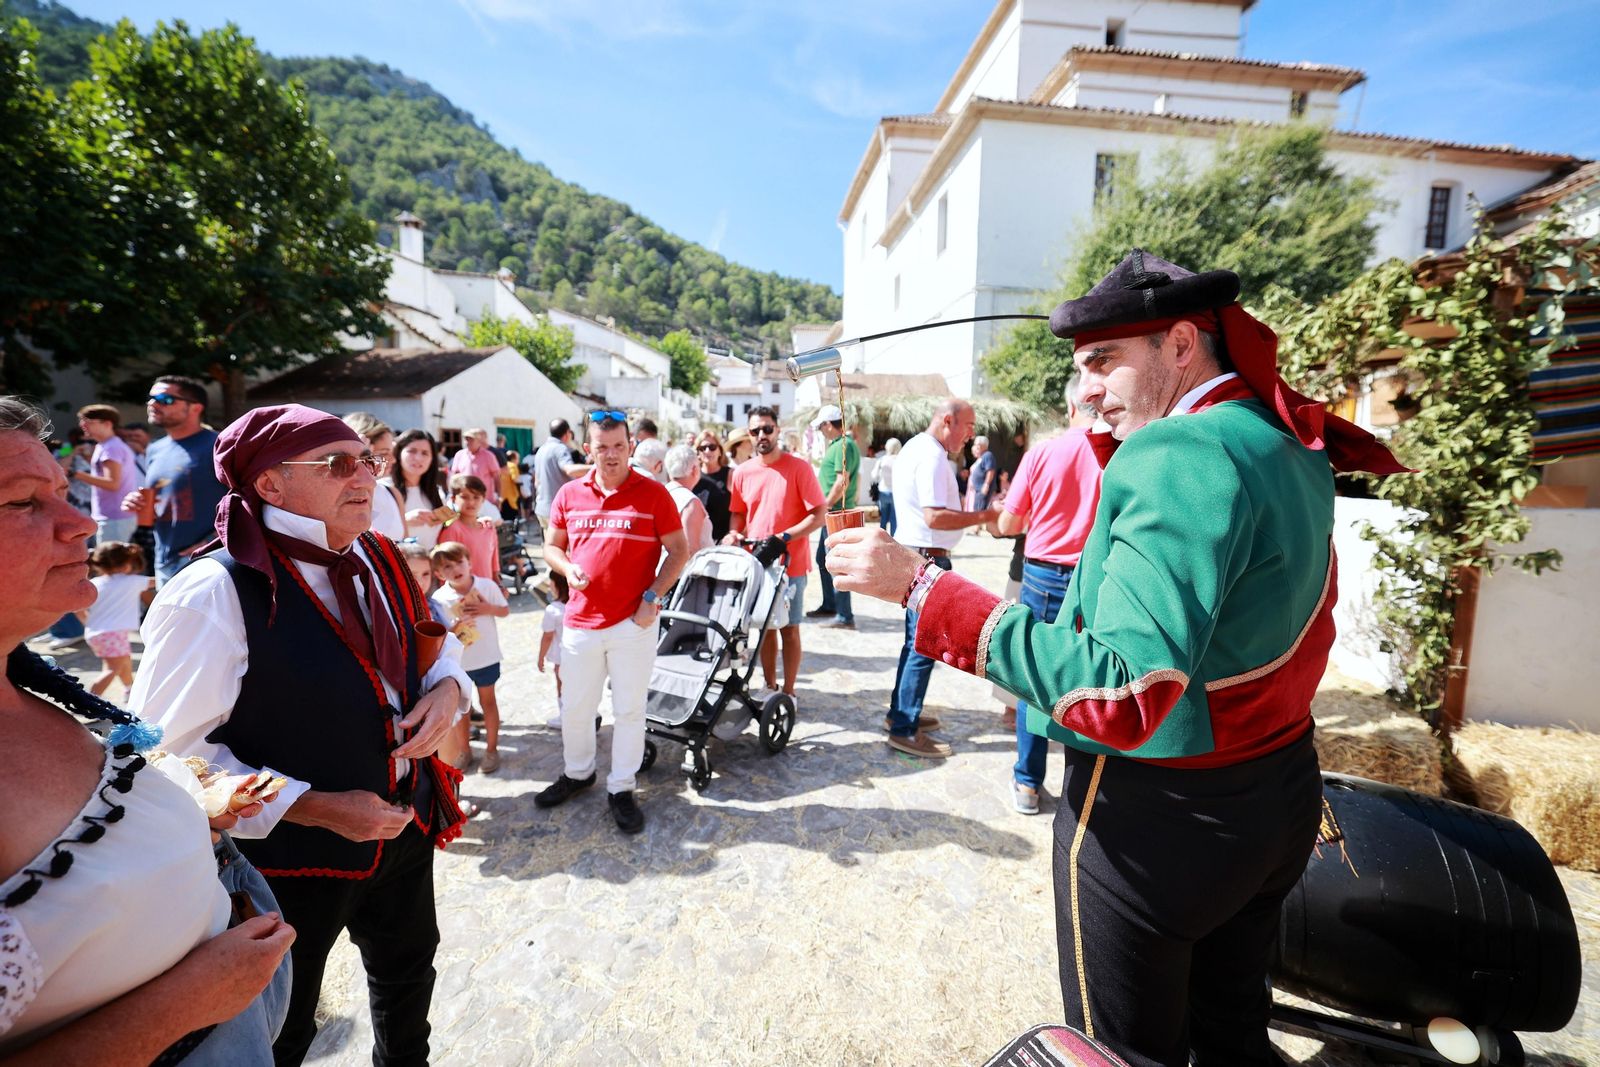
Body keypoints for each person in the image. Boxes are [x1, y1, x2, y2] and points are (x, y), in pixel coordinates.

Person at [826, 250, 1408, 1067]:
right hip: (1278, 792)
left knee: (1128, 1051)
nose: (1087, 389)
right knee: (1233, 1025)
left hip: (1161, 821)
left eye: (1103, 361)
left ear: (1179, 345)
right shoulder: (1287, 437)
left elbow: (1117, 691)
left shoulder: (1177, 455)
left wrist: (923, 588)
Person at [131, 403, 475, 1067]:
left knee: (408, 978)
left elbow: (435, 635)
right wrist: (313, 804)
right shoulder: (211, 592)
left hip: (404, 828)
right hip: (287, 863)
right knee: (280, 1027)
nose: (365, 477)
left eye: (367, 461)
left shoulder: (377, 552)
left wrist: (451, 689)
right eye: (338, 464)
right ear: (269, 484)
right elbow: (165, 757)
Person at [0, 396, 296, 1067]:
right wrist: (183, 1004)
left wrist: (189, 807)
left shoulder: (28, 677)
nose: (81, 522)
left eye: (63, 491)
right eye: (23, 502)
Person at [538, 412, 690, 834]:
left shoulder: (655, 494)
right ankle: (578, 772)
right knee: (576, 708)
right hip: (581, 622)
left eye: (618, 446)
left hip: (633, 624)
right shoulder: (570, 493)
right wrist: (567, 569)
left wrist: (652, 598)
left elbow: (680, 551)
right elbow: (551, 546)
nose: (610, 455)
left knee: (629, 711)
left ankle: (621, 788)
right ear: (589, 449)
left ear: (630, 447)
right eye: (601, 447)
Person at [992, 383, 1102, 816]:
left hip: (1039, 573)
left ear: (1071, 405)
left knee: (1032, 676)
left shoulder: (1042, 452)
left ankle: (1027, 785)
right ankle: (1085, 791)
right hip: (1092, 575)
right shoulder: (1116, 453)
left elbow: (1008, 521)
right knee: (1090, 677)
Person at [874, 399, 997, 757]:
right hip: (927, 558)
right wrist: (983, 516)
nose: (972, 433)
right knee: (923, 646)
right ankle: (904, 727)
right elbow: (935, 517)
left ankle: (900, 713)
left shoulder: (918, 448)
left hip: (919, 555)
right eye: (969, 425)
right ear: (948, 421)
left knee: (913, 643)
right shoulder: (930, 456)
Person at [722, 407, 826, 700]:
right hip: (757, 564)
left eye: (767, 429)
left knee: (789, 630)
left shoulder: (799, 468)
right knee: (764, 629)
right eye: (755, 431)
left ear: (777, 430)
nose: (761, 436)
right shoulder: (742, 472)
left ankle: (789, 692)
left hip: (790, 565)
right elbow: (738, 515)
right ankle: (770, 687)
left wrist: (785, 537)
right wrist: (734, 534)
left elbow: (819, 514)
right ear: (749, 435)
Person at [121, 375, 226, 587]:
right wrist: (134, 501)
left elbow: (249, 499)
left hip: (210, 561)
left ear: (196, 408)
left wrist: (213, 542)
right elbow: (161, 496)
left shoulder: (220, 445)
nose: (153, 404)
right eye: (151, 398)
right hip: (165, 558)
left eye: (166, 399)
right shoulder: (154, 449)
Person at [429, 542, 508, 775]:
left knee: (489, 703)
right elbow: (440, 634)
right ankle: (464, 749)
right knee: (461, 710)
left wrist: (487, 608)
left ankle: (492, 749)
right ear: (438, 573)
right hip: (458, 663)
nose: (456, 569)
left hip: (486, 657)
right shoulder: (439, 598)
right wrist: (455, 627)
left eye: (459, 562)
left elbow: (504, 610)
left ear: (470, 562)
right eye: (447, 566)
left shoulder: (486, 585)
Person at [76, 540, 153, 700]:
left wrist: (88, 622)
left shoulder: (94, 583)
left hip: (97, 633)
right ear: (127, 562)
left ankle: (130, 690)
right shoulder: (132, 581)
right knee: (112, 668)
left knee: (123, 662)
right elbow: (158, 580)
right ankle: (87, 702)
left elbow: (77, 608)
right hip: (113, 634)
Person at [804, 405, 859, 630]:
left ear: (829, 424)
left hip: (835, 512)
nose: (821, 431)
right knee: (824, 560)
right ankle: (831, 605)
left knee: (835, 564)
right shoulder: (843, 445)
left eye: (821, 427)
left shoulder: (842, 446)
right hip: (834, 511)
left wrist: (825, 505)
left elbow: (841, 480)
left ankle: (845, 616)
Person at [73, 405, 141, 546]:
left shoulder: (111, 447)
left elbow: (112, 483)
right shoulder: (105, 446)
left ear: (107, 424)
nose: (82, 424)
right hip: (112, 517)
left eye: (88, 421)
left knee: (112, 566)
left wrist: (75, 473)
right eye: (81, 420)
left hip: (114, 517)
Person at [342, 413, 407, 541]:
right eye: (384, 453)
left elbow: (406, 544)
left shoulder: (393, 493)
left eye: (392, 453)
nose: (393, 460)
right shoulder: (339, 497)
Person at [533, 418, 592, 541]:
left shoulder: (541, 450)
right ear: (567, 433)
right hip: (557, 510)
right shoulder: (560, 448)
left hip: (542, 507)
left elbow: (536, 481)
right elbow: (570, 469)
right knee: (563, 553)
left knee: (550, 549)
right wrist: (598, 468)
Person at [438, 474, 500, 581]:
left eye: (476, 497)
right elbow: (444, 566)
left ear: (483, 499)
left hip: (487, 590)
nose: (471, 502)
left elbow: (493, 563)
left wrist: (497, 585)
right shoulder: (452, 530)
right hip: (463, 593)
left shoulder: (489, 528)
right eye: (464, 497)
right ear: (453, 499)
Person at [392, 429, 447, 550]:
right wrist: (403, 521)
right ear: (399, 453)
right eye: (412, 451)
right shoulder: (383, 489)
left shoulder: (436, 492)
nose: (418, 458)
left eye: (425, 453)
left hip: (429, 565)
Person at [664, 445, 714, 554]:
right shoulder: (689, 502)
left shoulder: (662, 494)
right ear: (694, 470)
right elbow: (690, 549)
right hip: (685, 569)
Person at [538, 571, 569, 727]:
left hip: (561, 657)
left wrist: (541, 656)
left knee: (561, 686)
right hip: (578, 656)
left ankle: (565, 716)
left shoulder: (553, 610)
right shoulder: (576, 606)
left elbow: (547, 636)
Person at [692, 430, 733, 542]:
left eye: (712, 447)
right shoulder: (693, 476)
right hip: (699, 543)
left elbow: (740, 510)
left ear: (720, 451)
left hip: (724, 542)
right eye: (703, 448)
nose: (707, 451)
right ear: (698, 452)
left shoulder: (730, 475)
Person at [449, 428, 501, 506]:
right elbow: (454, 477)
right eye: (466, 439)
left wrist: (499, 498)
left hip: (485, 501)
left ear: (479, 441)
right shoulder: (459, 455)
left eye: (471, 439)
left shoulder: (489, 456)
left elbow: (497, 478)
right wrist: (452, 493)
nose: (467, 442)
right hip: (464, 500)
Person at [875, 438, 901, 535]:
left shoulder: (882, 460)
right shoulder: (900, 460)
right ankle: (894, 539)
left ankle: (881, 537)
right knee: (894, 519)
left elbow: (874, 475)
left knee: (884, 518)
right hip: (895, 492)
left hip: (883, 490)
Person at [968, 435, 997, 511]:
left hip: (982, 488)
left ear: (983, 445)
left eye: (977, 445)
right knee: (976, 509)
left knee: (980, 510)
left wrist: (986, 485)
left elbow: (990, 470)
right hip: (977, 489)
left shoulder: (988, 455)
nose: (976, 447)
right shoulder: (981, 457)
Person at [499, 450, 521, 522]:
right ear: (513, 459)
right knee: (512, 520)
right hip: (511, 497)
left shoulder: (502, 466)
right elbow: (515, 479)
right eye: (518, 459)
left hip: (502, 497)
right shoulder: (513, 466)